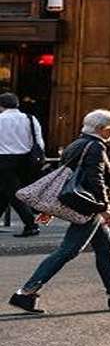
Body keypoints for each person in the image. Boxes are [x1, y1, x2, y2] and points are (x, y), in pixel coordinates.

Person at [8, 108, 110, 314]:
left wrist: (52, 208)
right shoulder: (95, 147)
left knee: (106, 249)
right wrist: (105, 208)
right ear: (102, 129)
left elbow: (63, 179)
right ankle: (25, 293)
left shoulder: (76, 144)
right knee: (68, 250)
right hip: (88, 206)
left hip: (82, 203)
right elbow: (96, 180)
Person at [0, 91, 44, 238]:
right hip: (26, 161)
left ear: (1, 106)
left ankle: (31, 224)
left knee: (13, 193)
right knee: (5, 191)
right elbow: (38, 141)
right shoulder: (30, 118)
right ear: (17, 104)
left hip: (4, 160)